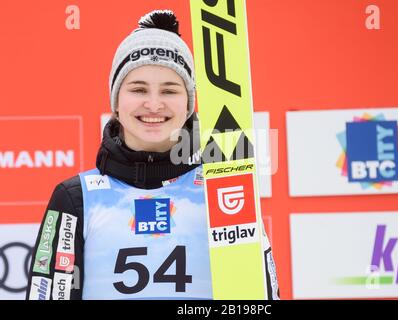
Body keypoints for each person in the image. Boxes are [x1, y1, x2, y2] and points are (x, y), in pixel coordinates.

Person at [26, 9, 279, 300]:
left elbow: (262, 296)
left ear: (188, 105)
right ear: (116, 101)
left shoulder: (224, 191)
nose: (154, 104)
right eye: (138, 89)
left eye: (170, 91)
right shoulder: (76, 197)